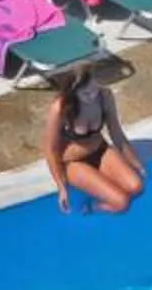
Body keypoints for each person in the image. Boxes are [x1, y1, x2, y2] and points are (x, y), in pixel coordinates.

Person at [45, 63, 145, 214]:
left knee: (136, 186)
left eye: (94, 88)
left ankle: (100, 184)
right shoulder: (61, 108)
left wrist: (136, 163)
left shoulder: (104, 96)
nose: (92, 96)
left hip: (100, 150)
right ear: (74, 92)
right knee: (121, 202)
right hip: (74, 163)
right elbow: (50, 150)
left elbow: (116, 133)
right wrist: (62, 188)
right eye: (86, 93)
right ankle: (91, 207)